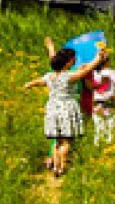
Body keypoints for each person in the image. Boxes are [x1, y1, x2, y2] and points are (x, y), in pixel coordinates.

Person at [23, 44, 105, 176]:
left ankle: (56, 167)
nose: (74, 61)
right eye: (72, 60)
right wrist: (98, 57)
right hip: (67, 108)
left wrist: (29, 84)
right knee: (66, 141)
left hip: (52, 109)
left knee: (57, 141)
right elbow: (87, 70)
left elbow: (38, 81)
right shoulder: (69, 76)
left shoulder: (50, 76)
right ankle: (62, 167)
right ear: (67, 64)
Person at [90, 51, 115, 144]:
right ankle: (109, 145)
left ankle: (97, 146)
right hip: (110, 103)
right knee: (111, 128)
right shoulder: (113, 72)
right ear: (107, 62)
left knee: (98, 128)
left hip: (96, 104)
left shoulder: (91, 73)